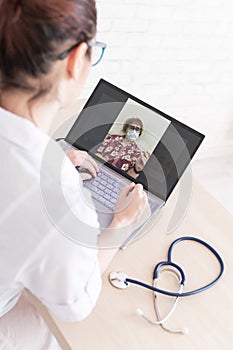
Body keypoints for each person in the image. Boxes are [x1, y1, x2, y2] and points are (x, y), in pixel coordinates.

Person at [0, 0, 148, 349]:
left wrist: (51, 161)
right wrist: (119, 226)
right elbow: (75, 303)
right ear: (74, 60)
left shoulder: (46, 174)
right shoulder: (55, 196)